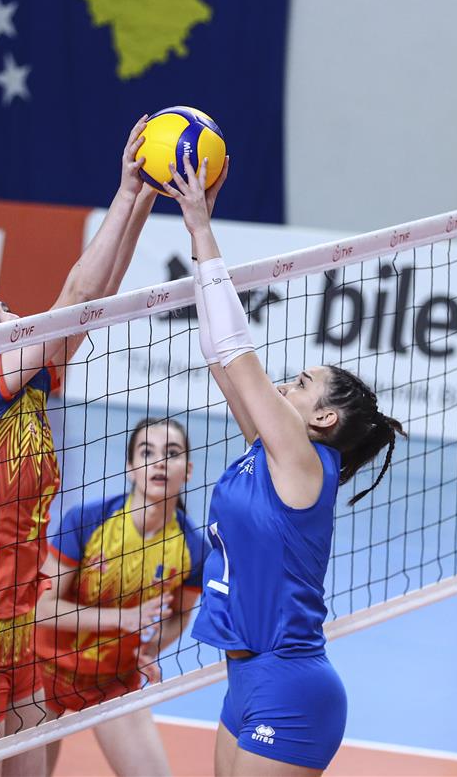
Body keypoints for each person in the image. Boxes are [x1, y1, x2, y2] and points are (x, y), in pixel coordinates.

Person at [0, 116, 159, 775]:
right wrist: (123, 190)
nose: (11, 316)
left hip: (22, 628)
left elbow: (95, 300)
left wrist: (143, 198)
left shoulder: (33, 386)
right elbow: (75, 293)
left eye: (6, 308)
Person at [168, 154, 406, 776]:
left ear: (323, 418)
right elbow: (219, 356)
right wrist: (196, 244)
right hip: (243, 681)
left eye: (301, 384)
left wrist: (201, 228)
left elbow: (237, 349)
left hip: (291, 691)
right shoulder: (268, 451)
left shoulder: (303, 461)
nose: (284, 384)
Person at [35, 417, 207, 776]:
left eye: (172, 453)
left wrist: (150, 648)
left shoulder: (194, 549)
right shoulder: (88, 520)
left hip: (111, 680)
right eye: (147, 452)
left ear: (188, 470)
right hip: (42, 670)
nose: (159, 462)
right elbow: (42, 609)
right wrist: (124, 619)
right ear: (131, 467)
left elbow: (179, 616)